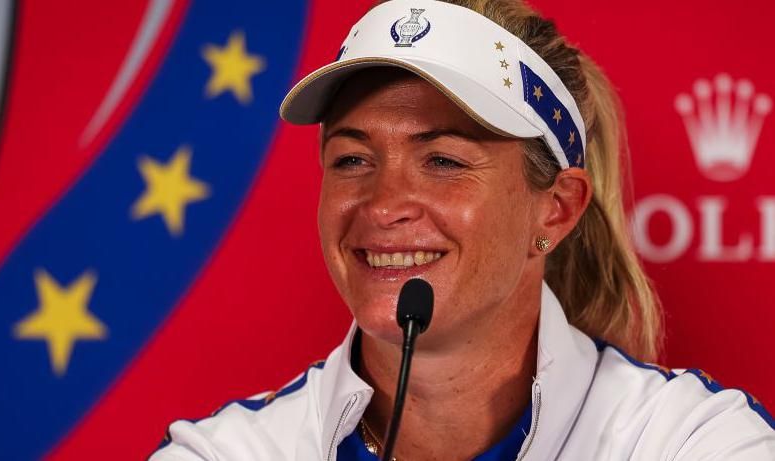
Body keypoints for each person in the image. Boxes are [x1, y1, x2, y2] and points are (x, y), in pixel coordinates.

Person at [151, 0, 775, 459]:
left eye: (443, 160)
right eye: (352, 161)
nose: (383, 205)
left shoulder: (690, 442)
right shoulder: (225, 454)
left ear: (555, 208)